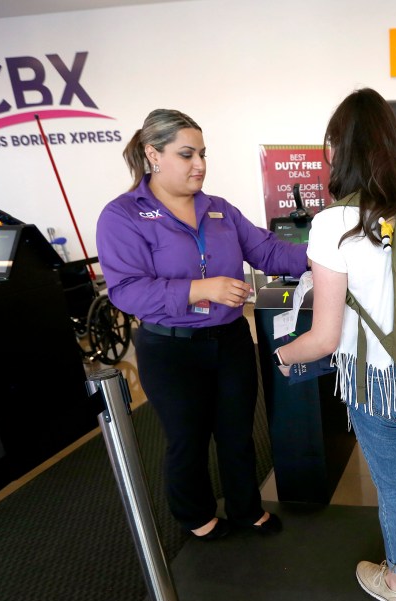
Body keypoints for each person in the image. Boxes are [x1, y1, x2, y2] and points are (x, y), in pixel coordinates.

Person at [270, 88, 396, 601]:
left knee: (394, 483)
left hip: (380, 382)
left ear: (340, 150)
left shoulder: (335, 224)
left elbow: (324, 339)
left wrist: (283, 355)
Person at [96, 109, 308, 541]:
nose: (200, 165)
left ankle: (247, 509)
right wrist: (198, 289)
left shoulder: (219, 210)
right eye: (187, 154)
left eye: (203, 154)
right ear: (152, 154)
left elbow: (269, 252)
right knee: (187, 439)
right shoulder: (122, 216)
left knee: (237, 434)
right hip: (170, 349)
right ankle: (195, 516)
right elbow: (127, 291)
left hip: (229, 341)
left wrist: (332, 250)